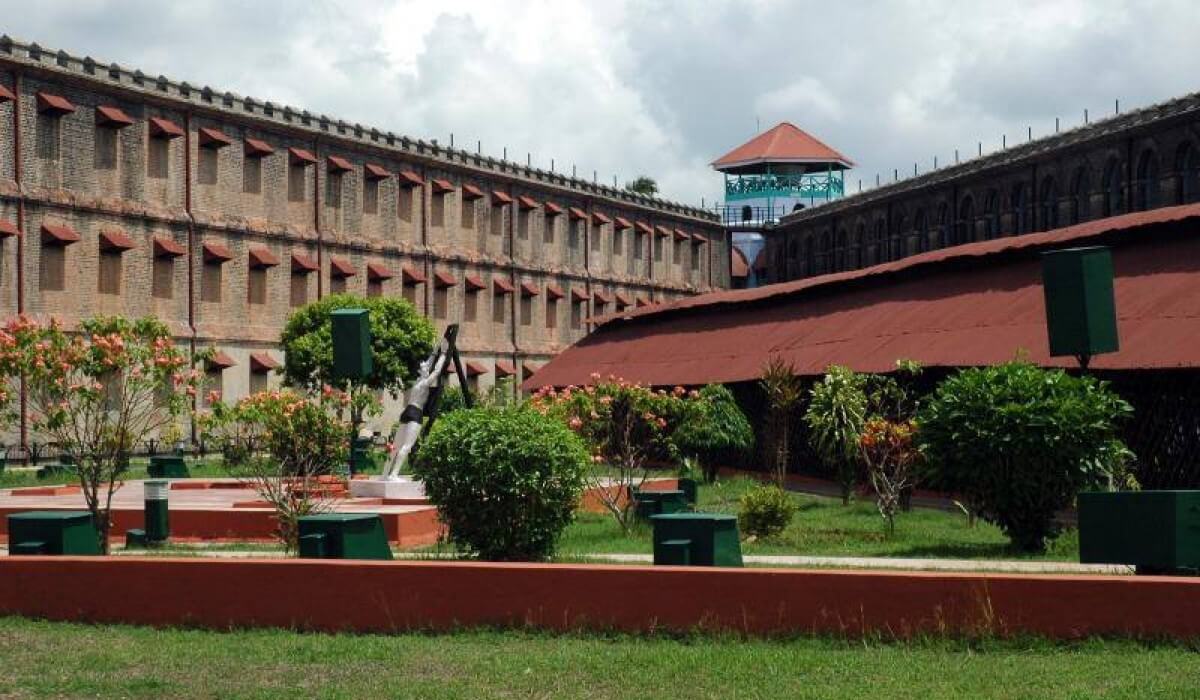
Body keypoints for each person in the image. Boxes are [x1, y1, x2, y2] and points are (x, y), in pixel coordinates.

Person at [382, 338, 449, 480]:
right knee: (407, 446)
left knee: (396, 445)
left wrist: (434, 351)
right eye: (425, 368)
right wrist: (443, 354)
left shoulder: (418, 381)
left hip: (406, 411)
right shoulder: (424, 383)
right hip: (415, 412)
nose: (427, 368)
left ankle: (384, 474)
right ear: (422, 371)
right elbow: (436, 371)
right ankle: (394, 474)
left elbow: (427, 365)